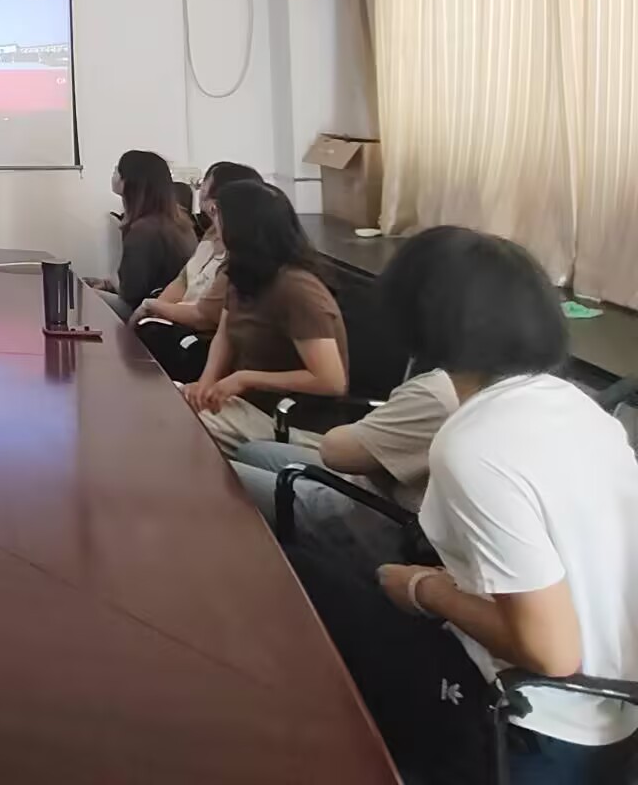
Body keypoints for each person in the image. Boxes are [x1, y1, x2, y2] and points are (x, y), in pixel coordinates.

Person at [292, 228, 638, 784]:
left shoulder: (472, 444)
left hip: (537, 727)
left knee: (314, 584)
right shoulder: (577, 406)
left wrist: (423, 590)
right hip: (615, 713)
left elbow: (552, 653)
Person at [228, 364, 459, 567]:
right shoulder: (463, 392)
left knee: (220, 481)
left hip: (378, 519)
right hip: (374, 483)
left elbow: (335, 452)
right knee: (252, 451)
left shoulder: (440, 395)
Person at [180, 181, 348, 452]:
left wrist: (246, 378)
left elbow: (331, 380)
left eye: (218, 215)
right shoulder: (241, 274)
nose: (214, 224)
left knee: (179, 426)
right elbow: (225, 334)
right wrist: (205, 382)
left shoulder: (297, 289)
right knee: (164, 402)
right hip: (248, 406)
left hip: (291, 420)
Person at [129, 160, 263, 332]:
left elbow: (204, 317)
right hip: (176, 319)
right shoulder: (211, 233)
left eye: (206, 181)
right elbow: (183, 280)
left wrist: (154, 307)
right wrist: (155, 310)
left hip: (197, 332)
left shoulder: (240, 253)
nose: (201, 188)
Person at [85, 150, 197, 322]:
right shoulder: (178, 222)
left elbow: (131, 295)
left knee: (82, 297)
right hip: (169, 308)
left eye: (117, 170)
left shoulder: (143, 231)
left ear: (128, 182)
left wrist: (102, 289)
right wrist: (109, 285)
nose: (113, 173)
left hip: (150, 314)